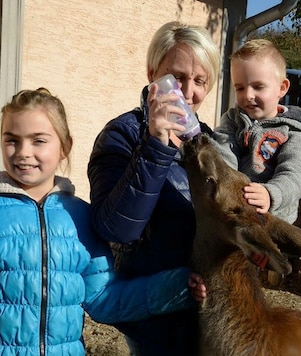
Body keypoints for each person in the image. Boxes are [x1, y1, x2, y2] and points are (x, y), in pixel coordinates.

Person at [0, 88, 202, 356]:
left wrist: (177, 286)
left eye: (38, 140)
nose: (23, 152)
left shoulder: (80, 218)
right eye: (12, 140)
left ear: (64, 147)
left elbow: (103, 298)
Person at [87, 21, 221, 355]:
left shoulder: (208, 142)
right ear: (152, 74)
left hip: (206, 309)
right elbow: (115, 228)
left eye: (200, 81)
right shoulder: (122, 135)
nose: (188, 92)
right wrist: (157, 145)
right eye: (176, 78)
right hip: (154, 309)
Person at [212, 39, 301, 224]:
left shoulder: (293, 133)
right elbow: (224, 154)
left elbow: (294, 175)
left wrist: (271, 193)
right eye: (239, 88)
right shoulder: (232, 121)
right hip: (234, 214)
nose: (248, 95)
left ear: (282, 88)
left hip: (273, 222)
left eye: (258, 86)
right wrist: (229, 189)